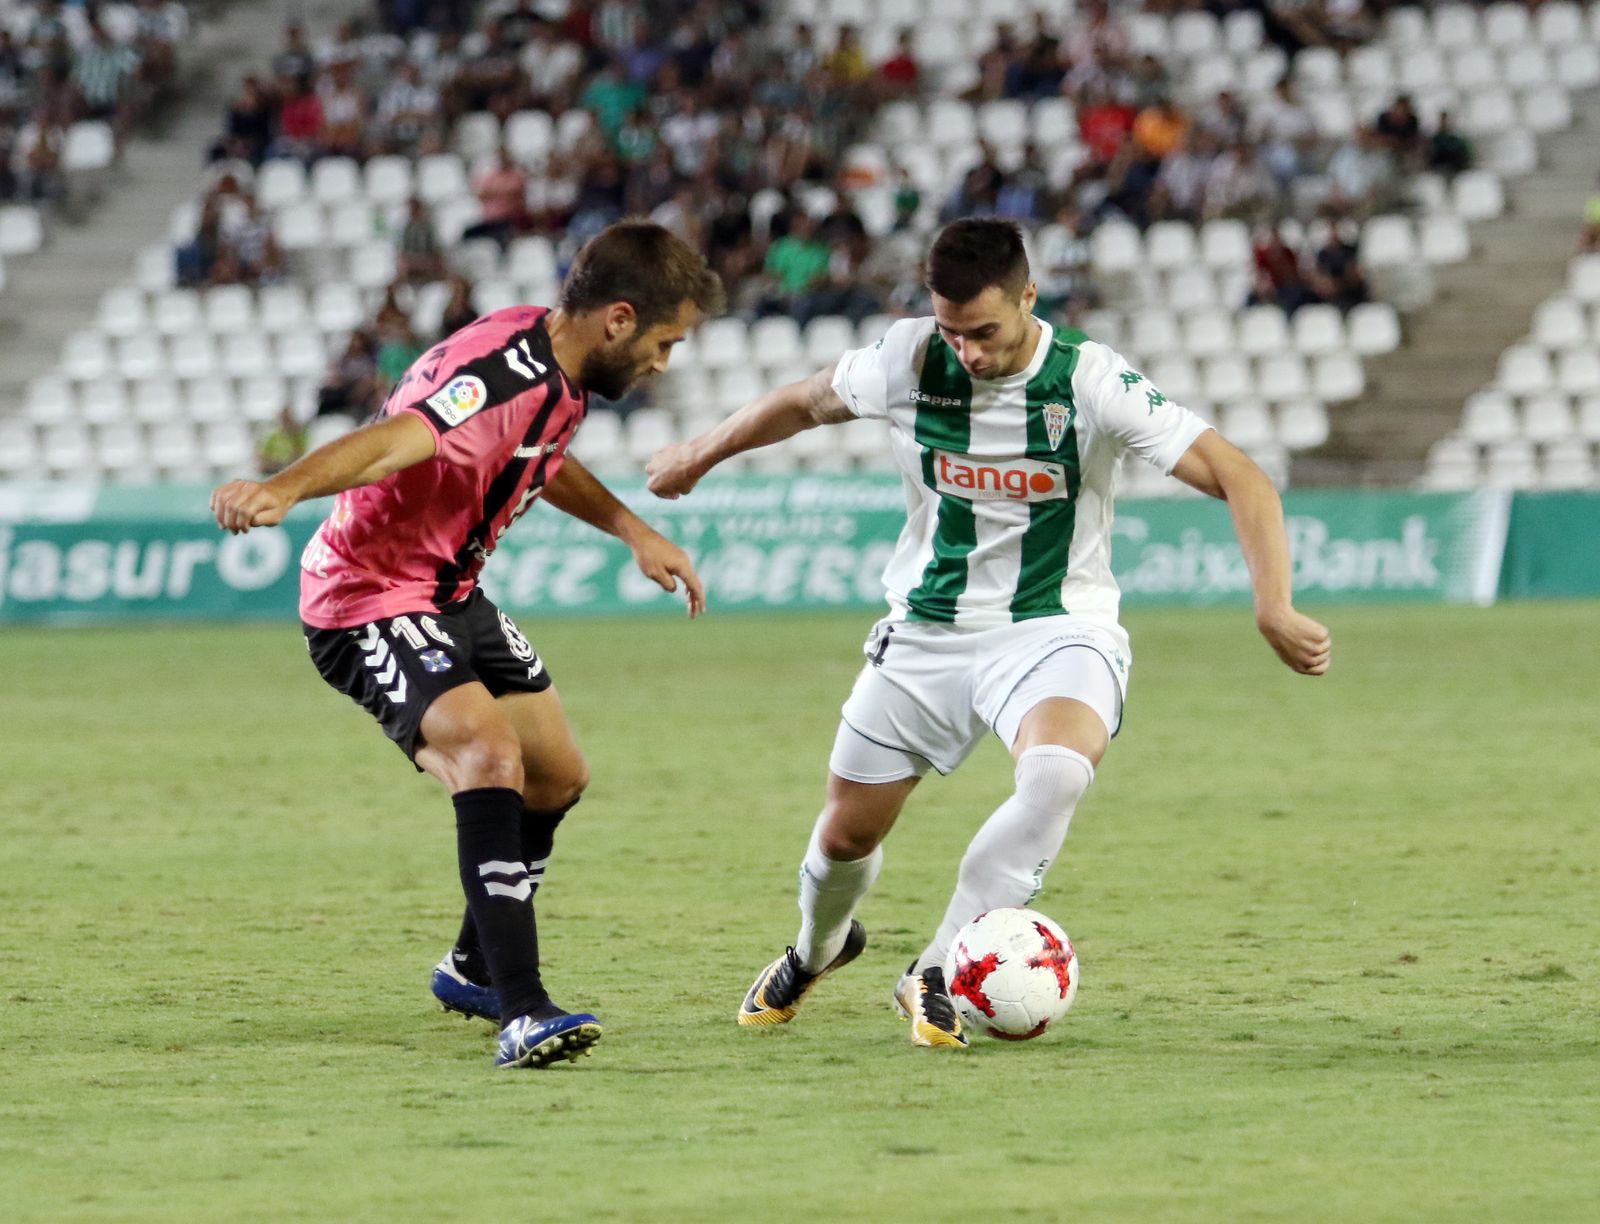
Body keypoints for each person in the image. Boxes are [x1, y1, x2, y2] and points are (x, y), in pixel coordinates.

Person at [646, 219, 1331, 1049]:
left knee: (1055, 774)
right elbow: (802, 402)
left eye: (985, 331)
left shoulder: (1088, 379)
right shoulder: (907, 359)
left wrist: (1273, 604)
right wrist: (698, 453)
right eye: (952, 331)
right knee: (845, 835)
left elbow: (1240, 474)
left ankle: (934, 969)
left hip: (1054, 626)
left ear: (1028, 299)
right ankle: (816, 948)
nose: (967, 351)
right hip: (926, 632)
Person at [210, 221, 723, 1069]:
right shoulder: (497, 376)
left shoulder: (550, 359)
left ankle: (471, 967)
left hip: (451, 595)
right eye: (666, 342)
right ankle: (523, 1011)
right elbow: (397, 440)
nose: (665, 363)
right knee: (488, 755)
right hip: (367, 597)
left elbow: (542, 457)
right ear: (620, 319)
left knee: (557, 775)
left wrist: (633, 530)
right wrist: (282, 489)